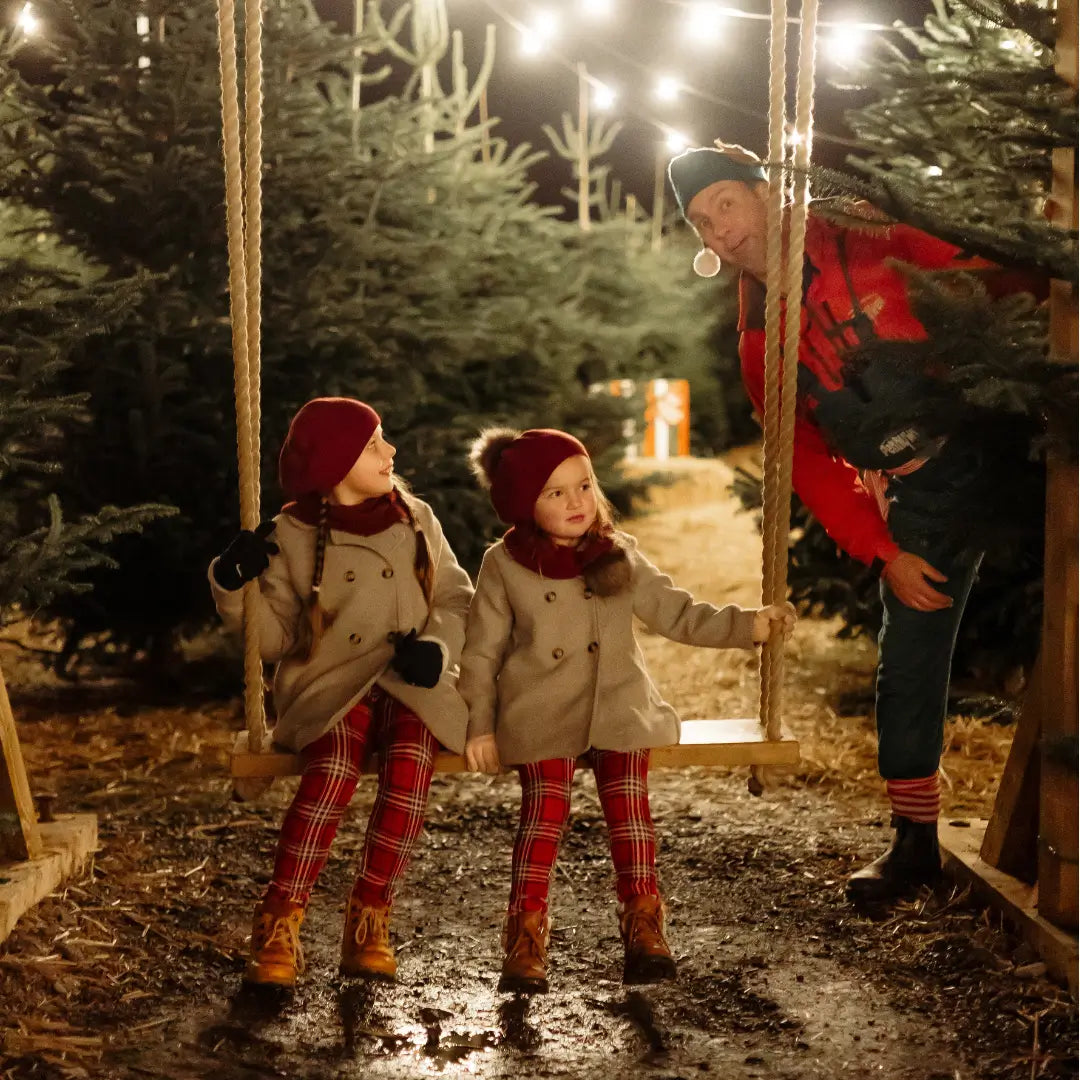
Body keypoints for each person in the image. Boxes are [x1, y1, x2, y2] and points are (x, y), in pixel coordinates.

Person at [666, 142, 1034, 902]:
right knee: (909, 653)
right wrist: (879, 546)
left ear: (764, 191)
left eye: (724, 206)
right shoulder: (759, 342)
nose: (717, 233)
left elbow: (985, 269)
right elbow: (802, 460)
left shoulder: (866, 232)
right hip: (916, 493)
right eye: (701, 223)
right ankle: (914, 844)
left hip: (1002, 446)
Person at [458, 427, 795, 993]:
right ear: (523, 505)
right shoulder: (505, 565)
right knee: (543, 813)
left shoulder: (618, 553)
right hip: (541, 712)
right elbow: (481, 651)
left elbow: (677, 612)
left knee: (629, 809)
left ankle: (643, 924)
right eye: (556, 493)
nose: (576, 502)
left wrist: (747, 625)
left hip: (618, 704)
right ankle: (525, 934)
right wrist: (480, 724)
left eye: (584, 486)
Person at [209, 397, 473, 988]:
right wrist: (233, 585)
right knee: (330, 773)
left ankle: (370, 918)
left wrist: (438, 647)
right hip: (331, 688)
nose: (391, 452)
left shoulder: (414, 517)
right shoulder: (290, 536)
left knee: (410, 771)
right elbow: (274, 640)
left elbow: (455, 598)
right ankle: (280, 924)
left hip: (410, 684)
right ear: (334, 462)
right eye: (374, 443)